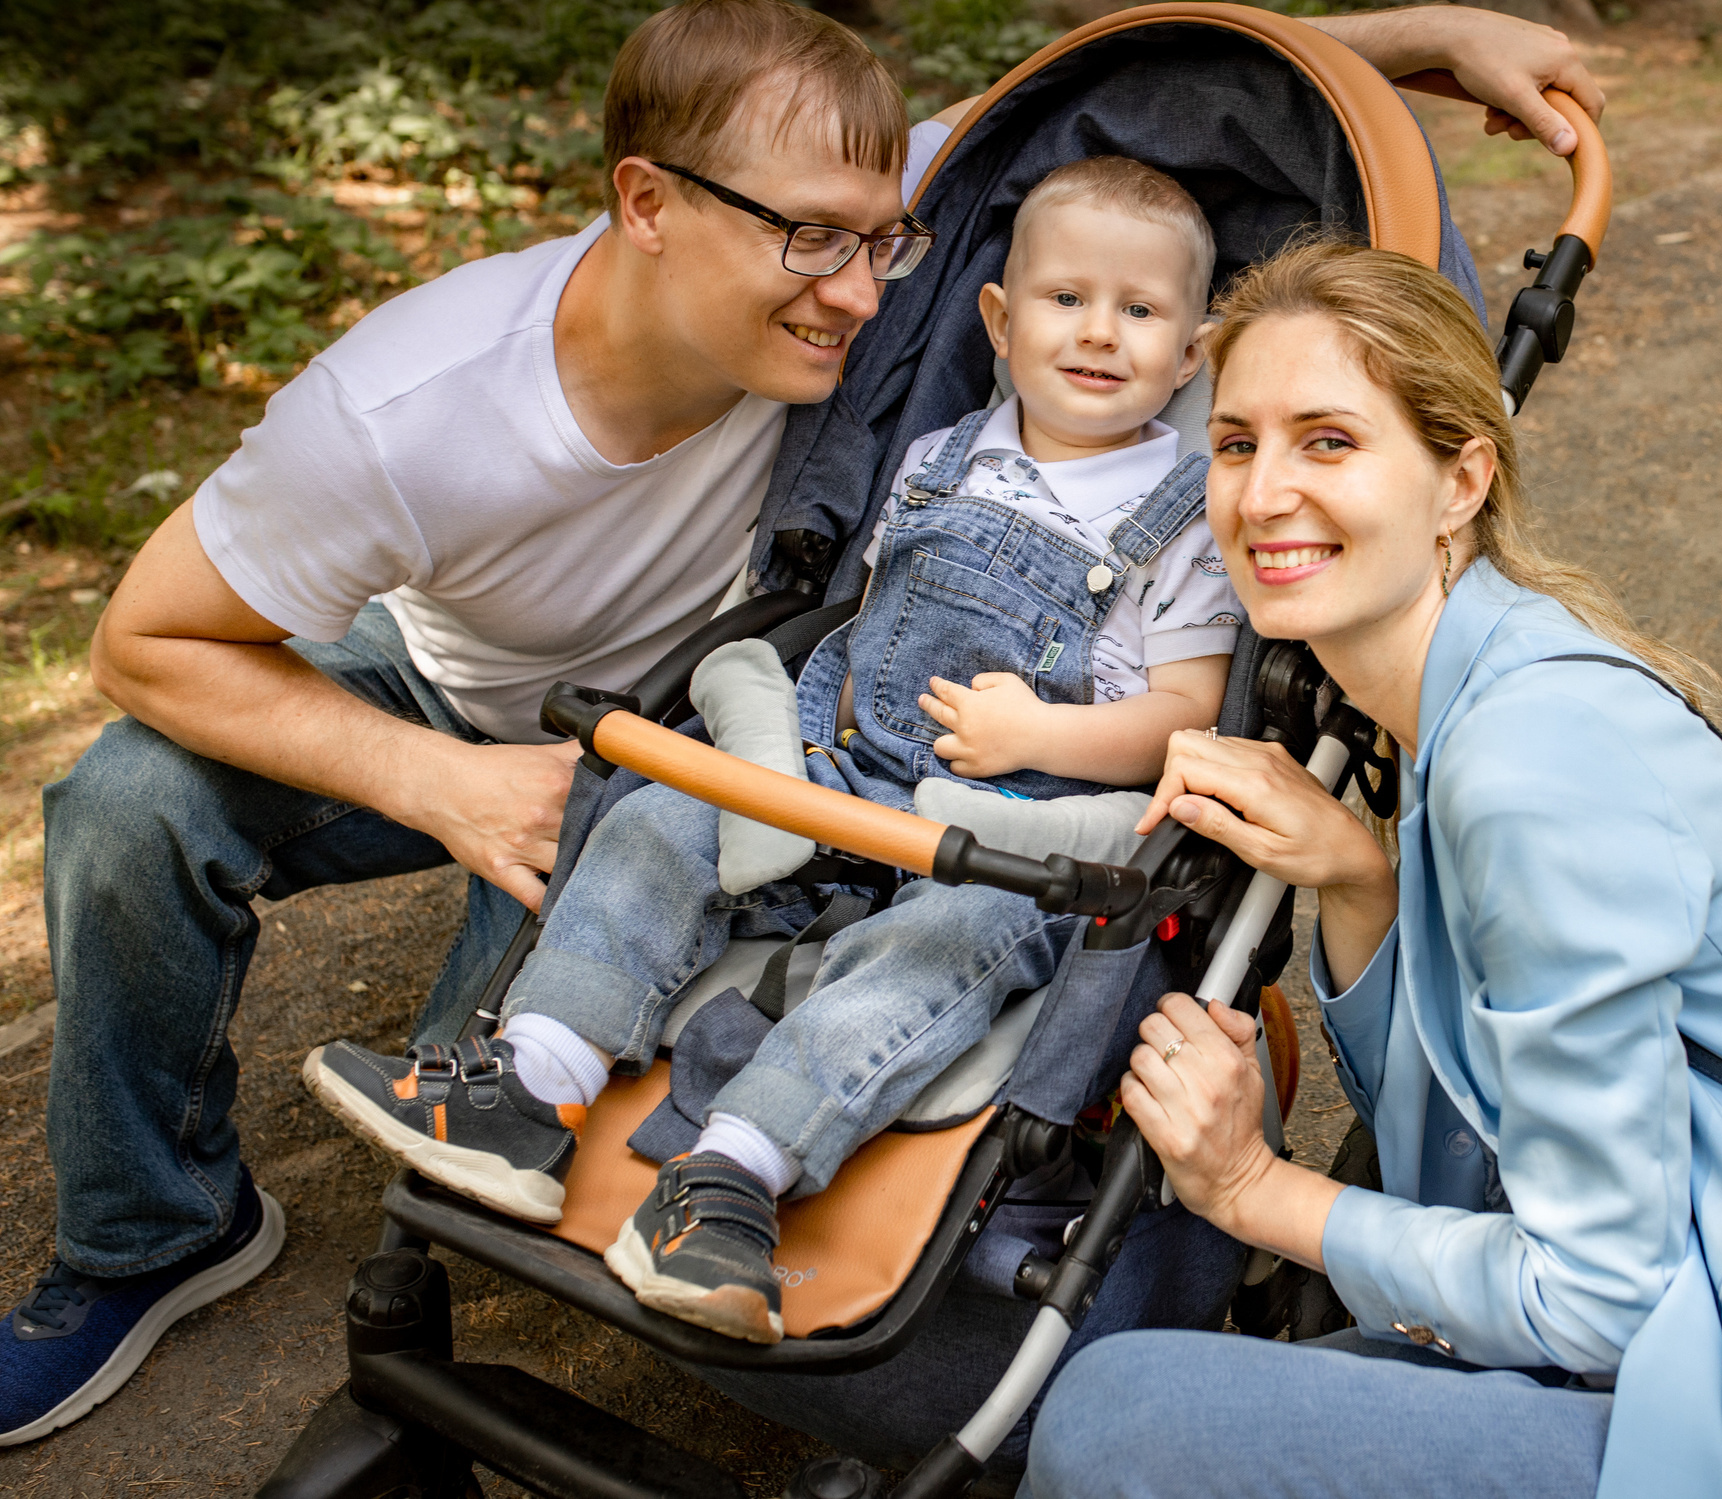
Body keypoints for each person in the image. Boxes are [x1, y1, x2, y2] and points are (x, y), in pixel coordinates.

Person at [4, 0, 1605, 1447]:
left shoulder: (930, 280)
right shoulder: (414, 407)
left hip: (869, 777)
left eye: (885, 242)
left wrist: (1433, 39)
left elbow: (1120, 92)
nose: (858, 292)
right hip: (542, 714)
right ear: (647, 205)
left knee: (631, 1024)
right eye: (815, 246)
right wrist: (448, 782)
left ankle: (720, 1176)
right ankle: (156, 1229)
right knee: (146, 804)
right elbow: (143, 638)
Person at [1019, 242, 1722, 1499]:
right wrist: (1357, 881)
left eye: (1330, 442)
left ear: (1461, 478)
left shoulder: (1528, 765)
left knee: (1118, 1411)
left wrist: (1249, 1188)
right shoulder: (1475, 691)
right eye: (1235, 444)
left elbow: (1593, 1297)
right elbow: (1459, 1160)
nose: (1262, 493)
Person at [302, 155, 1239, 1345]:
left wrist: (1042, 734)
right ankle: (534, 1080)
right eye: (1066, 300)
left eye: (1141, 311)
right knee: (658, 818)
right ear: (997, 321)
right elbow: (864, 622)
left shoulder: (1185, 512)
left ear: (1192, 353)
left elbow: (1186, 709)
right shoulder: (939, 454)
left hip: (1005, 836)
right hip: (838, 779)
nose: (1099, 333)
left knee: (929, 958)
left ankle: (735, 1177)